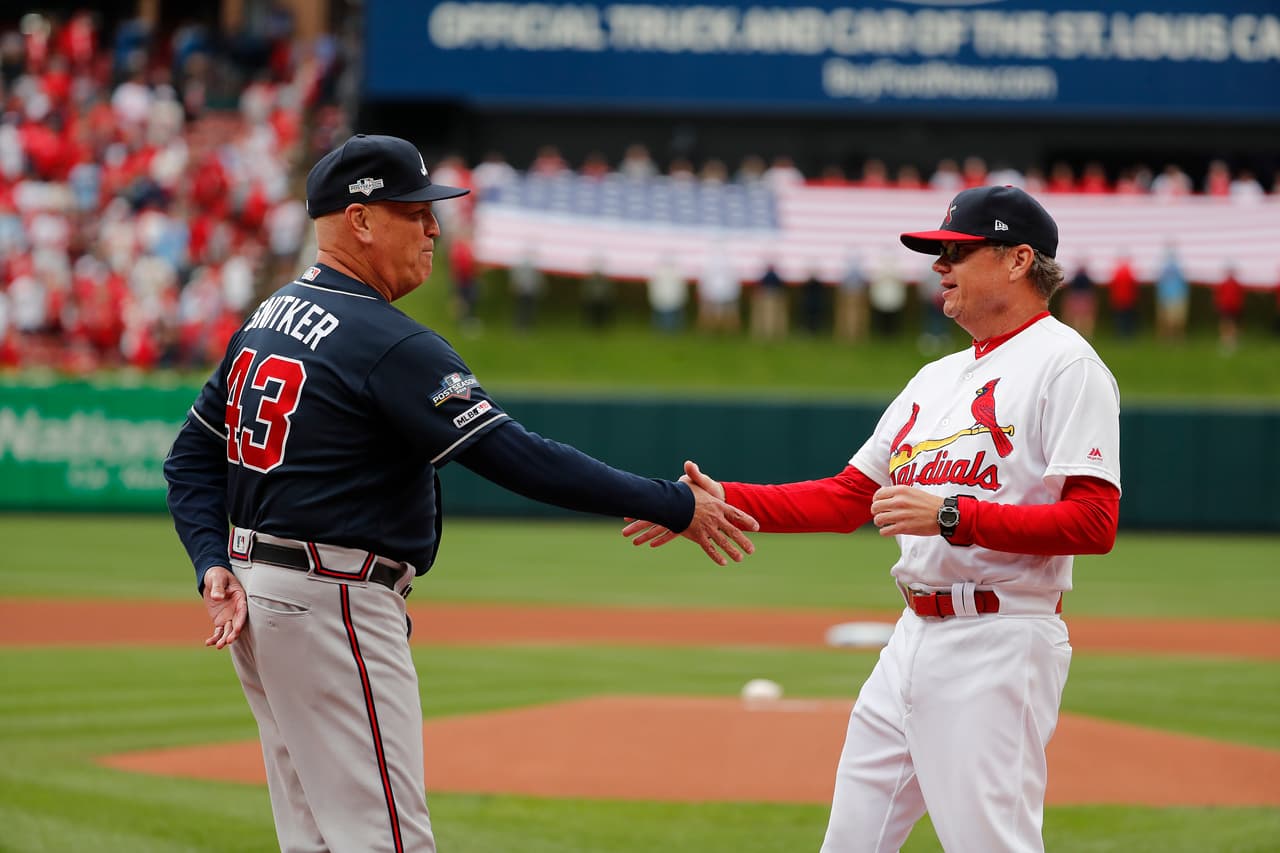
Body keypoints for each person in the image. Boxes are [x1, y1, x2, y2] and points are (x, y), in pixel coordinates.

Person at [161, 133, 759, 853]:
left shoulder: (267, 319)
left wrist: (210, 559)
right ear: (360, 219)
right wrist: (672, 501)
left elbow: (189, 457)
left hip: (264, 598)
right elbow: (516, 456)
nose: (435, 228)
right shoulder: (384, 340)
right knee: (387, 840)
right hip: (334, 603)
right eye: (415, 211)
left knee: (318, 840)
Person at [625, 185, 1122, 853]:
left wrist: (951, 514)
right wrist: (709, 500)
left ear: (1018, 260)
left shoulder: (1067, 365)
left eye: (957, 250)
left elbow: (1094, 523)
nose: (939, 264)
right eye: (938, 252)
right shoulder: (934, 379)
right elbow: (844, 498)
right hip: (910, 639)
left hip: (1000, 639)